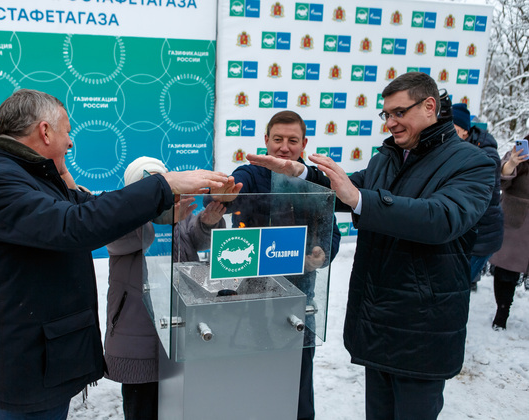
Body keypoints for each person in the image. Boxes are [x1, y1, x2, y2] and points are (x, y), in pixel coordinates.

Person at [0, 89, 233, 419]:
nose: (70, 142)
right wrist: (164, 184)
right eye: (67, 131)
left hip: (43, 360)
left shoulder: (28, 176)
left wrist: (161, 204)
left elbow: (92, 206)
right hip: (25, 369)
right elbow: (76, 225)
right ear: (45, 131)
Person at [248, 73, 496, 420]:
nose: (390, 122)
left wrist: (359, 199)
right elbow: (347, 190)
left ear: (429, 106)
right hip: (378, 324)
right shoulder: (388, 158)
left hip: (422, 330)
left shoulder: (472, 162)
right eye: (387, 114)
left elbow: (441, 218)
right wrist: (300, 173)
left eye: (399, 112)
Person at [229, 110, 341, 420]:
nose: (284, 147)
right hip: (254, 298)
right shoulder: (252, 175)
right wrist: (223, 193)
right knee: (254, 375)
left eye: (292, 140)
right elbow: (232, 190)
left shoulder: (314, 183)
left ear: (304, 144)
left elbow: (331, 232)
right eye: (277, 139)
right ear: (266, 140)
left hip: (299, 298)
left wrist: (322, 254)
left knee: (298, 381)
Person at [104, 157, 227, 420]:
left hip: (180, 326)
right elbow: (129, 239)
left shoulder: (179, 214)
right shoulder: (120, 221)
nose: (157, 193)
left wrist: (207, 222)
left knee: (181, 407)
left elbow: (197, 239)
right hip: (138, 333)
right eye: (148, 187)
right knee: (142, 409)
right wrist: (158, 218)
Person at [451, 102, 504, 291]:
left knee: (458, 287)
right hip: (465, 234)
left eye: (454, 129)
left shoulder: (487, 154)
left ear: (465, 131)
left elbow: (480, 196)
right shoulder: (456, 148)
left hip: (483, 235)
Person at [488, 133, 529, 330]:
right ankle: (501, 314)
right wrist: (512, 163)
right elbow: (501, 179)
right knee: (506, 272)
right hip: (516, 223)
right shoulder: (521, 152)